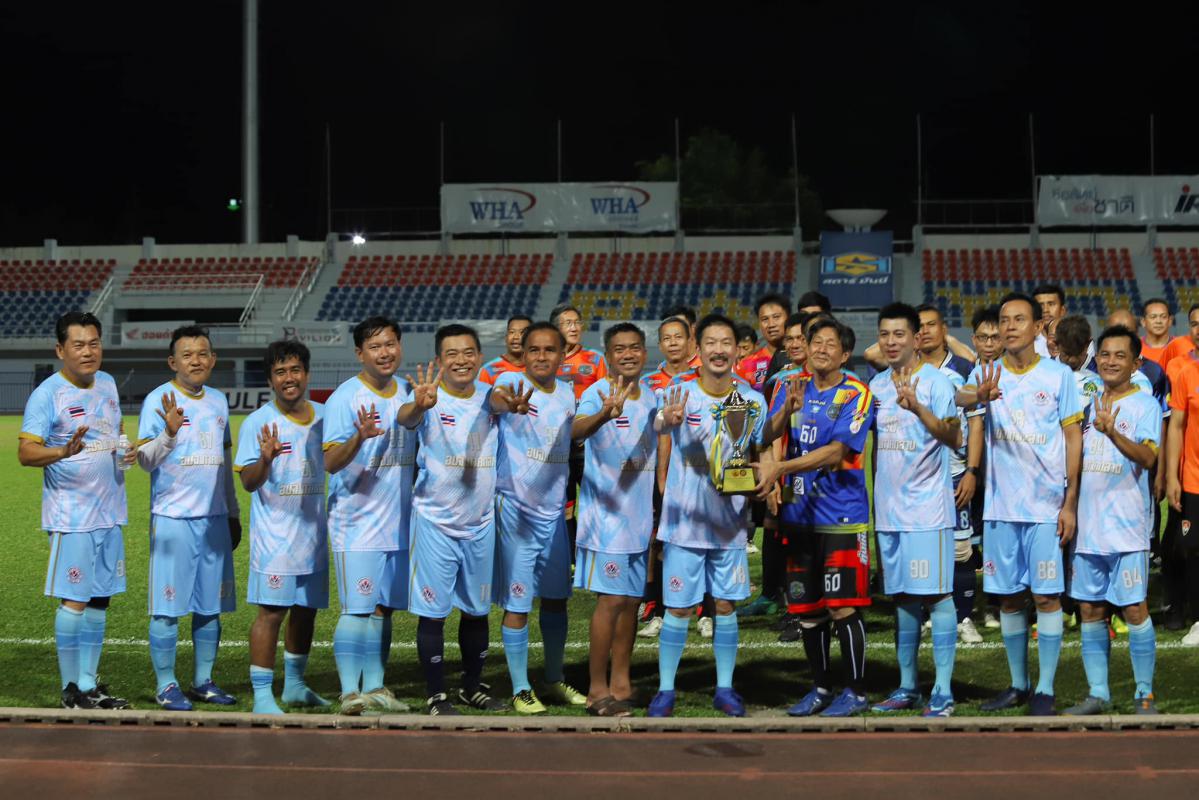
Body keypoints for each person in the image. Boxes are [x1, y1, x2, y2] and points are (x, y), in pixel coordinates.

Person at [966, 293, 1083, 716]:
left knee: (1047, 598)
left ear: (1037, 327)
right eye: (1004, 320)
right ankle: (1018, 685)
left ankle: (1045, 689)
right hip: (1000, 509)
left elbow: (1073, 438)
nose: (1009, 327)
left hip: (1046, 509)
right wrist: (977, 396)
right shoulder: (985, 373)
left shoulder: (1058, 376)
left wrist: (1070, 502)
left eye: (1019, 319)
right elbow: (961, 401)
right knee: (1009, 600)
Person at [648, 314, 767, 718]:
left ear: (737, 350)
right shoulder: (679, 392)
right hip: (684, 524)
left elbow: (760, 447)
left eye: (726, 343)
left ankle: (725, 689)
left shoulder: (751, 399)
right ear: (698, 349)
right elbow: (659, 424)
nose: (719, 350)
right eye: (711, 343)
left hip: (729, 524)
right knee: (679, 608)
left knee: (726, 606)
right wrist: (667, 420)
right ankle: (665, 690)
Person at [757, 317, 876, 717]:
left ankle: (856, 691)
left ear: (845, 354)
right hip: (798, 514)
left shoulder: (857, 393)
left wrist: (781, 469)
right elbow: (764, 436)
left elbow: (838, 451)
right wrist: (783, 414)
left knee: (843, 606)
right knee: (806, 610)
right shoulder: (790, 387)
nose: (821, 349)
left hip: (841, 516)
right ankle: (821, 688)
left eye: (831, 344)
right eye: (816, 342)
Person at [19, 311, 133, 710]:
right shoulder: (47, 395)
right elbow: (26, 452)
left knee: (100, 600)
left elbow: (113, 432)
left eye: (94, 343)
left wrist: (124, 450)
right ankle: (70, 689)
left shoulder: (108, 383)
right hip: (72, 516)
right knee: (75, 600)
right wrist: (62, 452)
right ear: (60, 349)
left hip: (110, 513)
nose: (88, 352)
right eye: (79, 345)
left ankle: (88, 684)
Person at [397, 324, 506, 715]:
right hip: (435, 522)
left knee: (477, 610)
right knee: (434, 612)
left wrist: (511, 402)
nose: (462, 360)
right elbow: (406, 419)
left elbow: (504, 403)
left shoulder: (490, 396)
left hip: (480, 522)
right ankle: (435, 694)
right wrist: (418, 405)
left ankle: (472, 687)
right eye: (452, 354)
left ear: (480, 357)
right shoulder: (428, 397)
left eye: (468, 352)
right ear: (440, 360)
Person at [137, 325, 241, 711]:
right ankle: (166, 685)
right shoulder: (157, 400)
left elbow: (224, 461)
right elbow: (145, 461)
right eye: (187, 354)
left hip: (214, 519)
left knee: (210, 606)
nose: (196, 360)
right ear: (172, 362)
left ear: (213, 359)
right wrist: (168, 432)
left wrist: (232, 512)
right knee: (167, 608)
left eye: (202, 353)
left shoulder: (218, 401)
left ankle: (203, 681)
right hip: (173, 519)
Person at [868, 303, 962, 717]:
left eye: (899, 334)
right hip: (889, 511)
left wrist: (918, 408)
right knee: (903, 598)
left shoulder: (937, 383)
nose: (891, 342)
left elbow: (955, 438)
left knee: (938, 596)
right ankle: (908, 687)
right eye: (884, 334)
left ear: (915, 338)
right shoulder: (876, 386)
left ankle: (943, 690)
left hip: (927, 510)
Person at [1064, 326, 1161, 715]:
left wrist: (1113, 433)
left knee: (1134, 609)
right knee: (1089, 610)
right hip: (1088, 528)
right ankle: (1098, 694)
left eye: (1120, 355)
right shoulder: (1085, 402)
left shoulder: (1145, 405)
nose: (1110, 361)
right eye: (1104, 354)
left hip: (1127, 528)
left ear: (1135, 363)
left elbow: (1149, 458)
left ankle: (1144, 694)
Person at [322, 316, 415, 715]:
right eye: (375, 347)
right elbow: (329, 462)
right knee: (357, 607)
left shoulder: (409, 392)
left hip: (400, 522)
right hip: (356, 523)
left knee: (383, 608)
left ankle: (375, 687)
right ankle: (348, 692)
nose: (385, 352)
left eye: (390, 344)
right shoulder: (344, 398)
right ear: (360, 353)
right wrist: (358, 437)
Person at [491, 322, 585, 713]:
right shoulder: (508, 384)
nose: (542, 356)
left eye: (550, 349)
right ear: (523, 354)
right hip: (516, 511)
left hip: (554, 514)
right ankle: (520, 688)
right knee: (518, 603)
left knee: (556, 600)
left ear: (563, 355)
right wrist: (507, 404)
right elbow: (495, 401)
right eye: (534, 349)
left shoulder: (566, 393)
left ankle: (553, 678)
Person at [234, 340, 330, 714]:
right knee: (272, 613)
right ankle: (262, 695)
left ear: (306, 373)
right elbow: (248, 482)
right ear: (270, 380)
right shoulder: (258, 423)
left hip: (314, 536)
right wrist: (265, 459)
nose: (289, 378)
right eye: (280, 372)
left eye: (294, 370)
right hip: (275, 541)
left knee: (306, 611)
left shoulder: (325, 416)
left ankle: (294, 686)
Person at [572, 323, 657, 716]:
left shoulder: (652, 397)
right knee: (611, 601)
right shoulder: (596, 393)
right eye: (619, 349)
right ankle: (596, 690)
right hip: (604, 519)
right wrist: (605, 414)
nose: (628, 354)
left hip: (638, 519)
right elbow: (574, 431)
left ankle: (621, 683)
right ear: (607, 355)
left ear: (644, 353)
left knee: (632, 602)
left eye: (634, 348)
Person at [916, 303, 983, 644]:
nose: (925, 331)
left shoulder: (964, 368)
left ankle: (964, 617)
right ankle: (927, 614)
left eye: (931, 325)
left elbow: (976, 422)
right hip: (918, 476)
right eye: (919, 326)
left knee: (960, 550)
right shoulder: (905, 370)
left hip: (955, 472)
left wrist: (972, 470)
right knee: (924, 548)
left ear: (944, 330)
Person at [1165, 304, 1199, 646]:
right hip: (1193, 479)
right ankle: (1198, 620)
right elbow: (1176, 427)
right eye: (1195, 324)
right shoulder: (1186, 373)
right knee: (1193, 550)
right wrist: (1173, 477)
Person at [969, 305, 1003, 630]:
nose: (989, 343)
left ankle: (995, 604)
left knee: (997, 542)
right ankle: (970, 603)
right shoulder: (968, 376)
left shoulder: (1012, 373)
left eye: (995, 337)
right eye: (983, 337)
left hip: (1005, 473)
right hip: (976, 470)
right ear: (974, 340)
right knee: (973, 541)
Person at [735, 294, 790, 393]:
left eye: (776, 317)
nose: (771, 324)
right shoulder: (746, 365)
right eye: (765, 319)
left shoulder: (802, 358)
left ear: (788, 318)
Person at [1141, 298, 1193, 369]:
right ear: (1143, 322)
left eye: (1163, 317)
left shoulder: (1183, 345)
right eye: (1153, 317)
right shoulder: (1134, 347)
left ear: (1170, 320)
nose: (1158, 321)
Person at [479, 315, 531, 385]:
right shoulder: (489, 370)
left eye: (522, 332)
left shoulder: (538, 368)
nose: (516, 337)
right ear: (506, 337)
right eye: (512, 332)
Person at [1032, 284, 1071, 360]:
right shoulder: (1025, 344)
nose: (1045, 310)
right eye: (1040, 305)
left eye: (1051, 304)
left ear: (1062, 310)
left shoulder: (1076, 340)